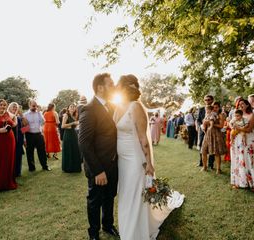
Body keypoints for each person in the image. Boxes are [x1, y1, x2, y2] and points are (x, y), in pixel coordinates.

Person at [114, 74, 184, 240]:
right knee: (125, 194)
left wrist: (149, 163)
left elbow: (143, 138)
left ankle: (135, 232)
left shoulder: (136, 107)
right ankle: (127, 226)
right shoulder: (118, 107)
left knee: (135, 194)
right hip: (122, 160)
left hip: (135, 159)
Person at [79, 73, 119, 240]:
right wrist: (97, 171)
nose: (114, 87)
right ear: (100, 87)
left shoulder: (112, 106)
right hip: (98, 166)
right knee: (95, 200)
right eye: (111, 84)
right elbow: (84, 143)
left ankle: (108, 225)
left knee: (109, 197)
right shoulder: (89, 109)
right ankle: (94, 233)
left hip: (113, 163)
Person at [230, 99, 254, 190]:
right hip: (238, 140)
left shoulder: (252, 115)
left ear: (247, 105)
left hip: (249, 140)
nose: (241, 105)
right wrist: (233, 127)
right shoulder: (237, 114)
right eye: (239, 104)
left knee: (250, 160)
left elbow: (249, 129)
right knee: (239, 160)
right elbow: (231, 124)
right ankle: (240, 182)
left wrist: (237, 128)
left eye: (243, 104)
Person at [23, 100, 51, 172]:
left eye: (36, 105)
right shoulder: (25, 114)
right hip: (29, 135)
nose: (35, 107)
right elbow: (23, 127)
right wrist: (24, 138)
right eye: (33, 106)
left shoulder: (39, 113)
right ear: (29, 105)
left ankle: (45, 166)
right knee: (30, 152)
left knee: (42, 151)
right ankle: (32, 168)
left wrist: (39, 112)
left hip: (39, 134)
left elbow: (43, 122)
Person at [201, 102, 227, 174]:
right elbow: (204, 122)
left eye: (216, 107)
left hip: (216, 134)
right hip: (207, 134)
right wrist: (205, 124)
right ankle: (204, 166)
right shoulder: (209, 114)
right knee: (204, 150)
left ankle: (218, 169)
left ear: (219, 108)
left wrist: (210, 123)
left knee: (216, 152)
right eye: (213, 107)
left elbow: (221, 126)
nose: (215, 109)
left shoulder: (221, 115)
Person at [61, 104, 81, 173]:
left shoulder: (75, 115)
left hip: (74, 134)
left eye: (74, 107)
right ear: (68, 108)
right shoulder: (66, 115)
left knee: (75, 149)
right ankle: (68, 168)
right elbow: (62, 126)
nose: (72, 108)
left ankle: (75, 167)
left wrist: (76, 124)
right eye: (71, 107)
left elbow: (74, 126)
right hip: (68, 135)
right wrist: (73, 123)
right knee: (69, 150)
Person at [196, 95, 215, 168]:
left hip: (212, 131)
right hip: (202, 130)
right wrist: (200, 126)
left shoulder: (214, 109)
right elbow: (198, 120)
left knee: (211, 146)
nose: (207, 101)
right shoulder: (201, 109)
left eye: (209, 99)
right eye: (205, 100)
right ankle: (201, 162)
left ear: (212, 100)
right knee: (201, 145)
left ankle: (211, 164)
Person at [7, 102, 25, 177]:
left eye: (16, 107)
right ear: (9, 108)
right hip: (9, 141)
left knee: (18, 156)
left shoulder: (19, 118)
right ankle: (10, 172)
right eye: (13, 107)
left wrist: (24, 139)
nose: (15, 108)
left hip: (19, 140)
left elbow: (25, 128)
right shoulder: (7, 117)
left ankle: (18, 172)